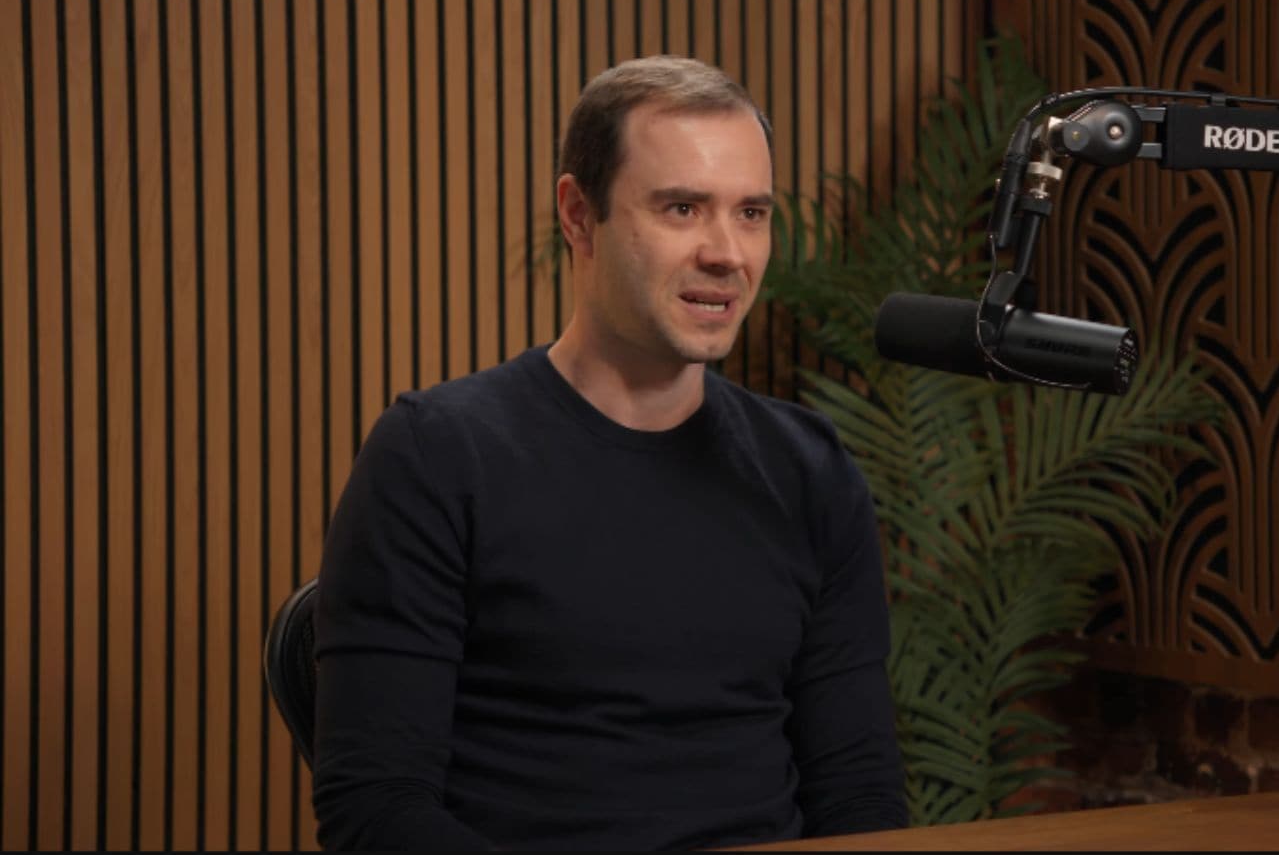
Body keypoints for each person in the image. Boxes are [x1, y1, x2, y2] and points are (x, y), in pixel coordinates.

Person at [311, 55, 908, 851]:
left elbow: (859, 795)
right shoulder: (437, 456)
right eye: (682, 209)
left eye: (752, 213)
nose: (727, 253)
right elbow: (377, 810)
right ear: (577, 215)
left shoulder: (811, 470)